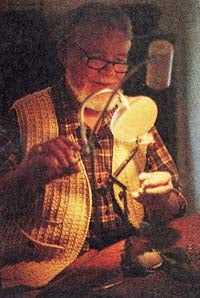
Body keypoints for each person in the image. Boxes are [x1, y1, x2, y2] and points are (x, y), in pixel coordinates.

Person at [0, 2, 186, 294]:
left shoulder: (135, 115)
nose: (109, 73)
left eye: (119, 60)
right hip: (45, 274)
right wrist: (26, 175)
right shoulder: (24, 116)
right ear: (65, 53)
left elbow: (175, 203)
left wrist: (161, 201)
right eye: (96, 59)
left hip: (123, 264)